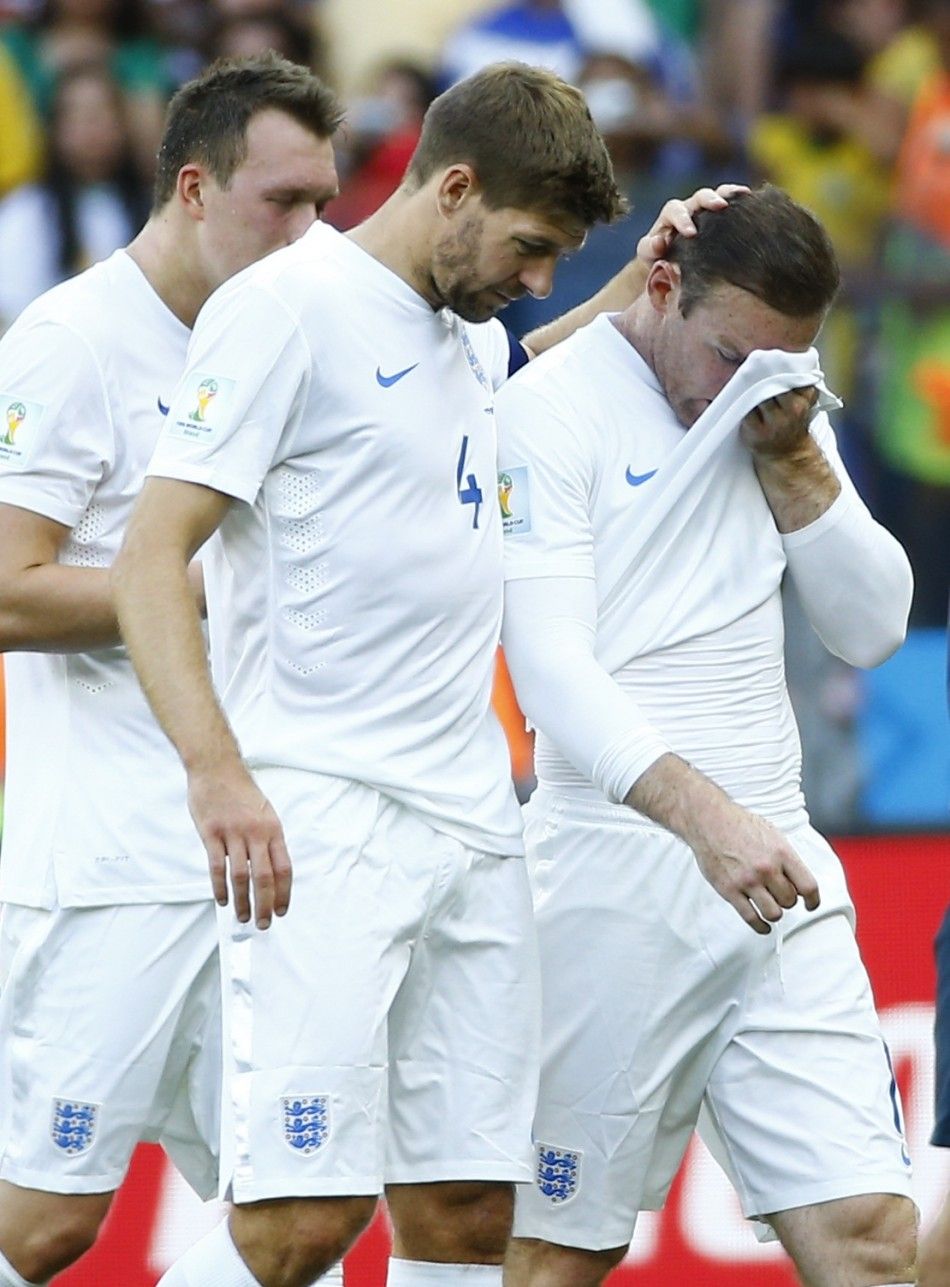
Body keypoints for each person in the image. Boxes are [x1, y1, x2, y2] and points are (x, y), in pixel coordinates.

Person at [111, 60, 736, 1287]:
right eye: (527, 245)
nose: (534, 278)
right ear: (451, 187)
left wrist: (630, 277)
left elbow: (520, 368)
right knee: (300, 1221)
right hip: (319, 821)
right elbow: (147, 560)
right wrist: (217, 774)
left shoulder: (465, 332)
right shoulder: (284, 308)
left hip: (468, 825)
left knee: (461, 1215)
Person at [495, 185, 919, 1287]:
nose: (748, 386)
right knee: (550, 1256)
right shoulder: (549, 406)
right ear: (661, 287)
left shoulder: (773, 399)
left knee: (872, 1238)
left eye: (782, 363)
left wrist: (794, 459)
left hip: (778, 865)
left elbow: (871, 628)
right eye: (731, 356)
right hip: (609, 874)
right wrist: (703, 822)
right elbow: (547, 667)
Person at [0, 51, 344, 1287]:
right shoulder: (72, 341)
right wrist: (197, 589)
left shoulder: (288, 338)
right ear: (194, 188)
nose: (310, 234)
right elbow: (4, 587)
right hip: (107, 863)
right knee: (43, 1228)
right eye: (283, 204)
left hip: (251, 860)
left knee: (301, 1217)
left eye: (325, 203)